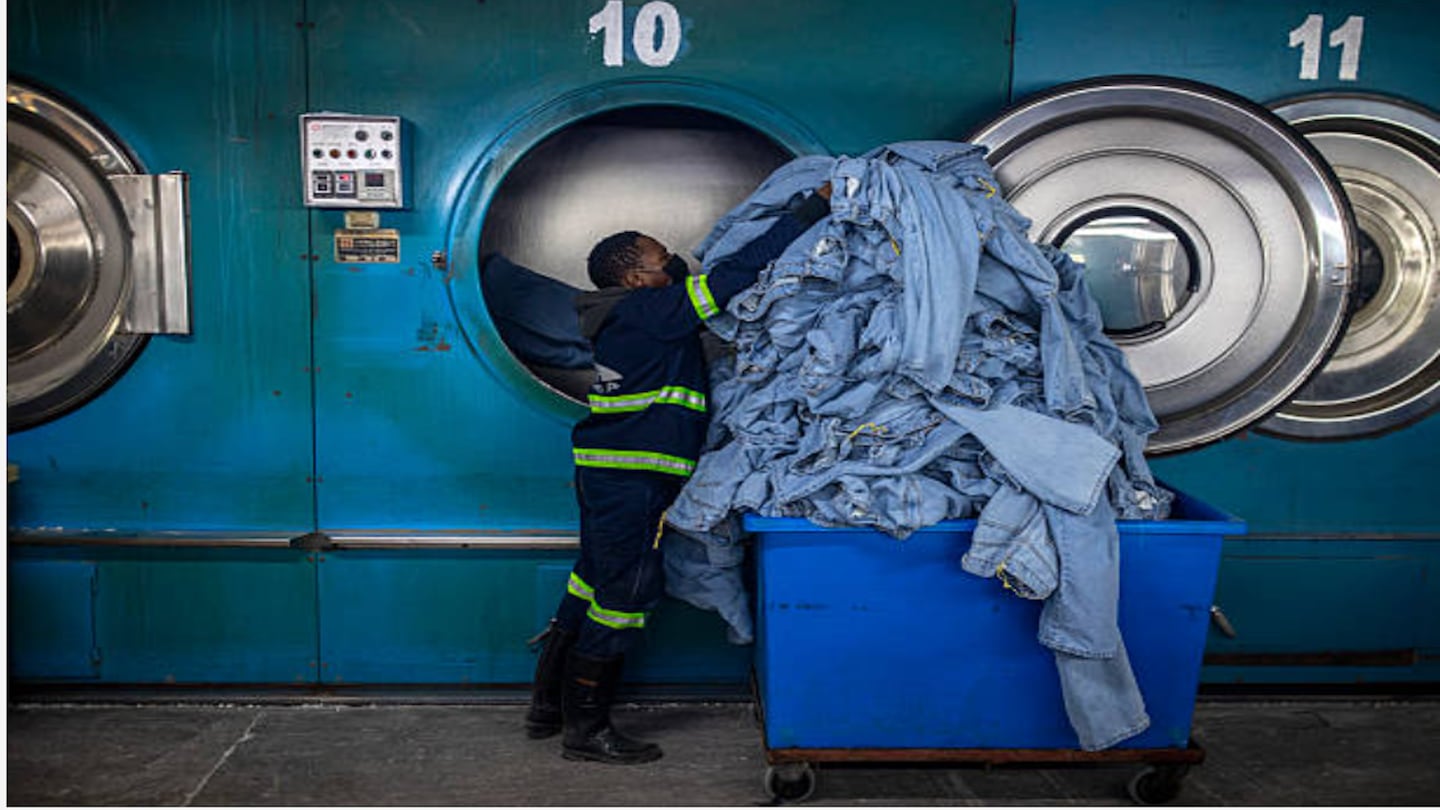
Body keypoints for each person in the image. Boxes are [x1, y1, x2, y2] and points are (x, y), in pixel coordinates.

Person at [525, 182, 833, 765]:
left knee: (591, 578)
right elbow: (734, 275)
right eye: (658, 255)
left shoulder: (626, 317)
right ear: (637, 278)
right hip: (633, 476)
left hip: (609, 470)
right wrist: (811, 209)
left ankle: (548, 707)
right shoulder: (650, 310)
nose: (671, 259)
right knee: (626, 591)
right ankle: (586, 730)